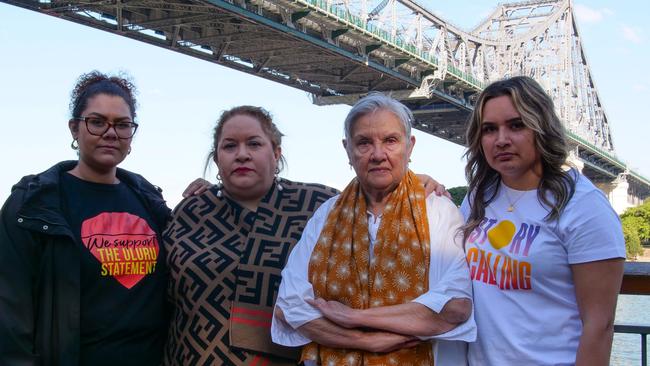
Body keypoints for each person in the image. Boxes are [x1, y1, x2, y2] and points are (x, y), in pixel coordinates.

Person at [162, 105, 443, 366]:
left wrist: (412, 184)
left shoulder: (319, 204)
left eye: (255, 143)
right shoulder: (191, 210)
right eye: (230, 146)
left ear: (276, 153)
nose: (242, 154)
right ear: (216, 158)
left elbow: (376, 197)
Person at [271, 93, 476, 366]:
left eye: (390, 141)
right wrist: (364, 341)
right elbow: (288, 306)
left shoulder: (437, 211)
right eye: (364, 143)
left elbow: (454, 308)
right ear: (348, 150)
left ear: (410, 146)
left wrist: (354, 317)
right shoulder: (327, 214)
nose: (378, 154)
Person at [0, 71, 180, 366]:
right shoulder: (33, 205)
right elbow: (10, 310)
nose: (110, 133)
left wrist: (212, 196)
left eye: (122, 125)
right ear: (74, 128)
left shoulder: (150, 201)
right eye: (97, 122)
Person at [461, 76, 625, 365]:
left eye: (516, 125)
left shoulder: (584, 206)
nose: (501, 140)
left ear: (541, 127)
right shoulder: (479, 196)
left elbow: (599, 326)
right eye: (489, 129)